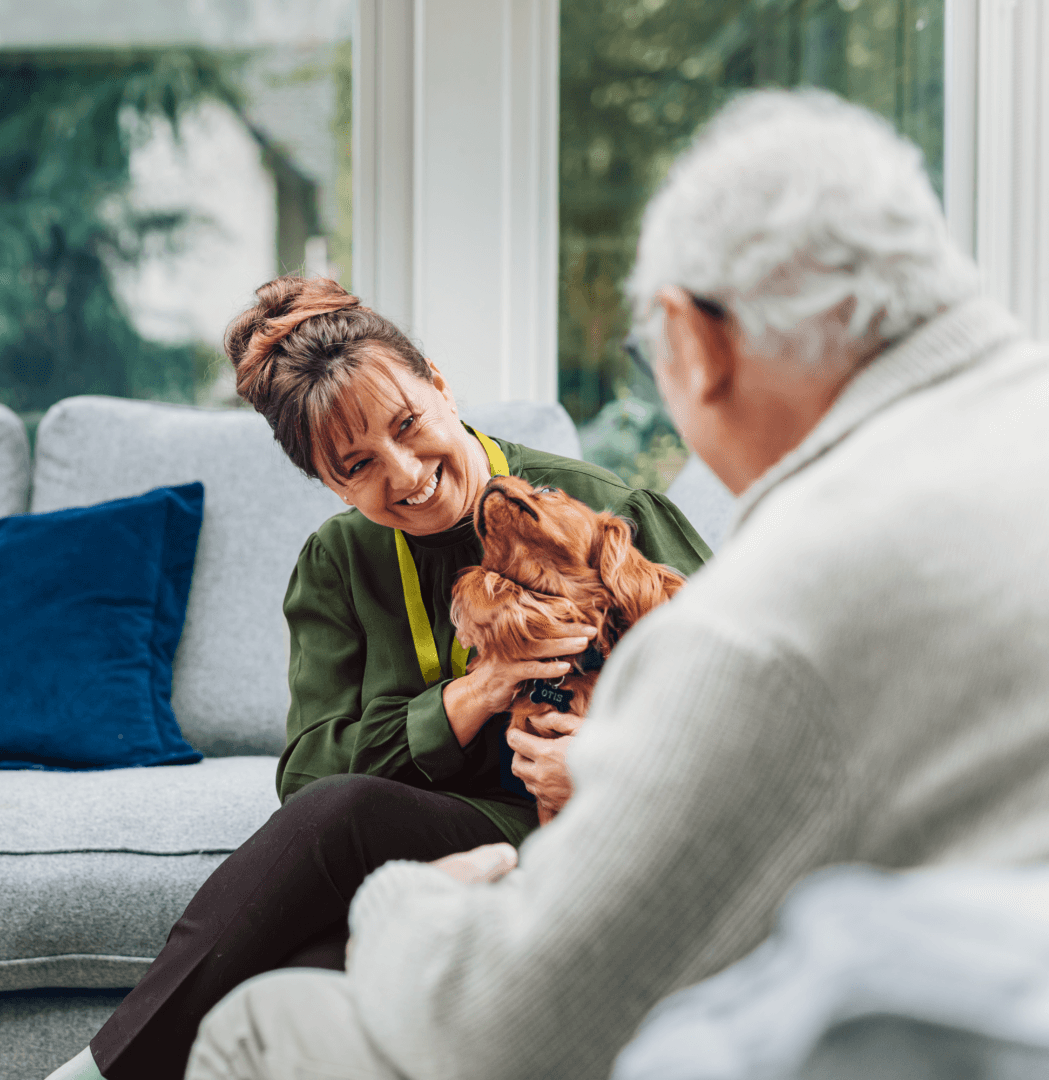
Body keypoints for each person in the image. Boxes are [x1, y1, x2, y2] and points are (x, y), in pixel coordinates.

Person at [185, 88, 1049, 1080]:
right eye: (354, 467)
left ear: (696, 342)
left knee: (261, 1023)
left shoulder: (774, 608)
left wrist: (403, 900)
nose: (405, 474)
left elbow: (511, 1022)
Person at [45, 279, 711, 1080]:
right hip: (455, 838)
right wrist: (472, 695)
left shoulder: (604, 509)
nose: (404, 476)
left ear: (439, 383)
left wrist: (607, 763)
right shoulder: (338, 563)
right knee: (301, 961)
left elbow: (747, 706)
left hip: (601, 832)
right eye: (357, 466)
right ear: (328, 483)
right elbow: (309, 779)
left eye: (409, 426)